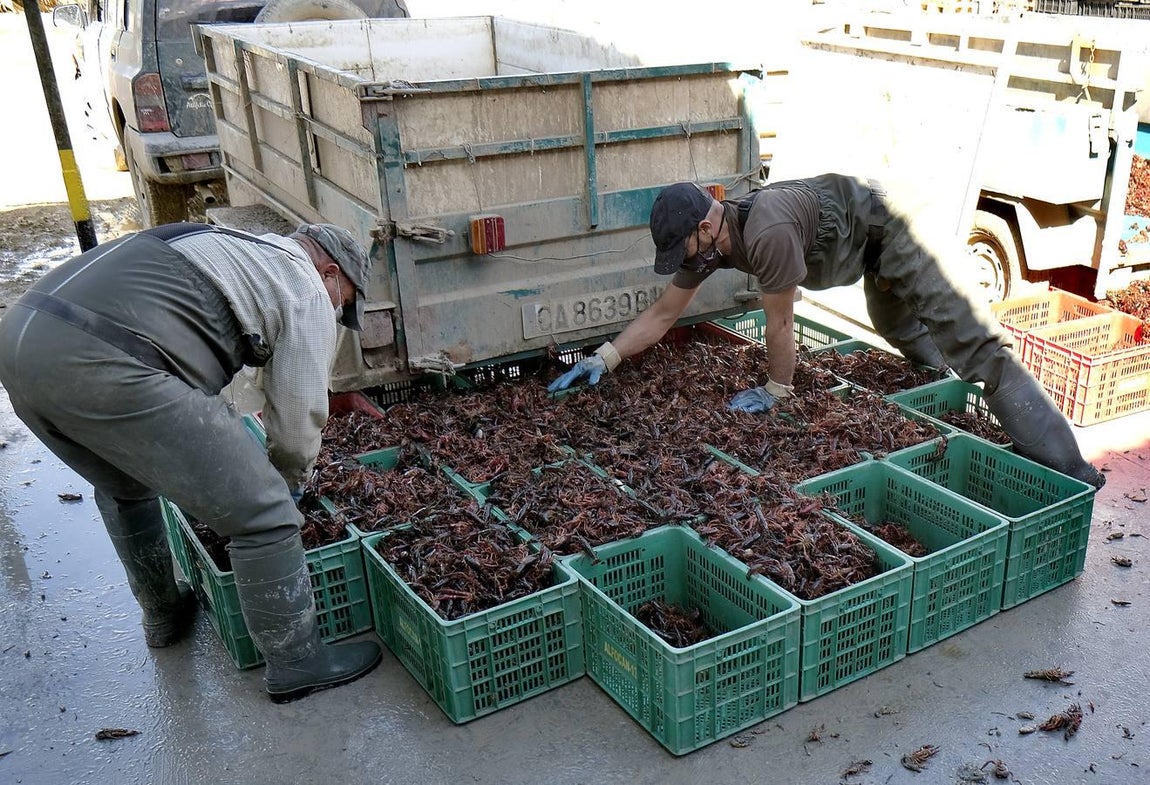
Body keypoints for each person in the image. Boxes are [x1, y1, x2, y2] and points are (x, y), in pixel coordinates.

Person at [0, 221, 383, 702]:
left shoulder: (238, 248)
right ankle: (297, 662)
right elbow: (298, 418)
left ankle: (163, 614)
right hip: (101, 357)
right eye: (343, 302)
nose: (335, 313)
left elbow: (208, 368)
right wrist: (286, 489)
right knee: (263, 511)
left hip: (21, 342)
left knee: (126, 484)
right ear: (329, 273)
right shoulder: (305, 287)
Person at [548, 174, 1105, 489]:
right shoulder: (714, 242)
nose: (682, 260)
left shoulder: (764, 230)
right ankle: (944, 387)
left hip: (894, 234)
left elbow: (781, 321)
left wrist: (777, 390)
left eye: (681, 249)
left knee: (978, 348)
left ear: (701, 227)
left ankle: (1070, 468)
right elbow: (663, 314)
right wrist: (607, 357)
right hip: (867, 260)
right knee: (901, 332)